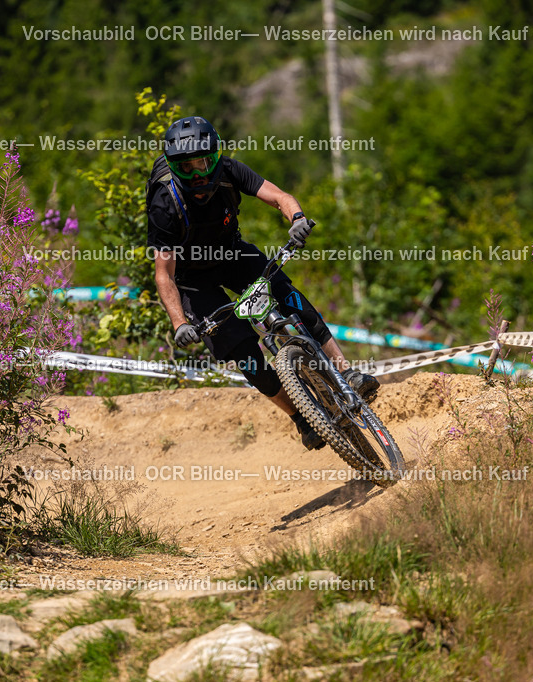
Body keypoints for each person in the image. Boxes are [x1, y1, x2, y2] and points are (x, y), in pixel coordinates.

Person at [146, 116, 380, 450]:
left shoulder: (229, 171)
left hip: (232, 254)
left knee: (291, 299)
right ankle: (301, 418)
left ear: (215, 157)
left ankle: (348, 375)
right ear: (174, 167)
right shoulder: (164, 203)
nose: (197, 175)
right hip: (193, 279)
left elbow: (280, 197)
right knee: (245, 355)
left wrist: (297, 219)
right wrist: (179, 323)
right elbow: (163, 274)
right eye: (186, 168)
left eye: (203, 163)